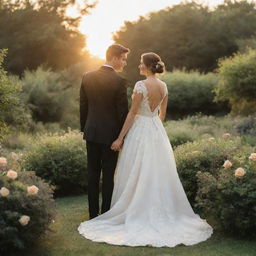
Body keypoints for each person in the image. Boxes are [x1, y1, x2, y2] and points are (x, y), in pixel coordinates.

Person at [78, 52, 213, 247]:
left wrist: (120, 137)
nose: (138, 65)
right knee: (155, 170)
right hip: (155, 130)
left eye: (141, 63)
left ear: (148, 66)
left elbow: (132, 113)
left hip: (140, 129)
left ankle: (131, 207)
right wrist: (153, 127)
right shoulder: (164, 86)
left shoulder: (140, 86)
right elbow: (162, 115)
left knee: (134, 168)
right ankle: (152, 206)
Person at [79, 44, 130, 219]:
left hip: (91, 133)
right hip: (111, 137)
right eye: (123, 59)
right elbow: (122, 112)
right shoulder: (119, 81)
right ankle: (106, 213)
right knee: (108, 175)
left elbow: (83, 107)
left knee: (92, 174)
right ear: (114, 58)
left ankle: (93, 214)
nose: (124, 63)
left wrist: (84, 129)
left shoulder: (87, 77)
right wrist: (123, 137)